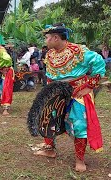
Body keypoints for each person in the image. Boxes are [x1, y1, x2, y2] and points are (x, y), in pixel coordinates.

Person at [34, 23, 106, 172]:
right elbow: (50, 74)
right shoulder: (50, 53)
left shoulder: (78, 51)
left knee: (79, 125)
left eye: (47, 38)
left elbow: (99, 63)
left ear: (55, 38)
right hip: (55, 93)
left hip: (76, 93)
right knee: (49, 119)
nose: (45, 41)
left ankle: (80, 160)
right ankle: (50, 149)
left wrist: (89, 86)